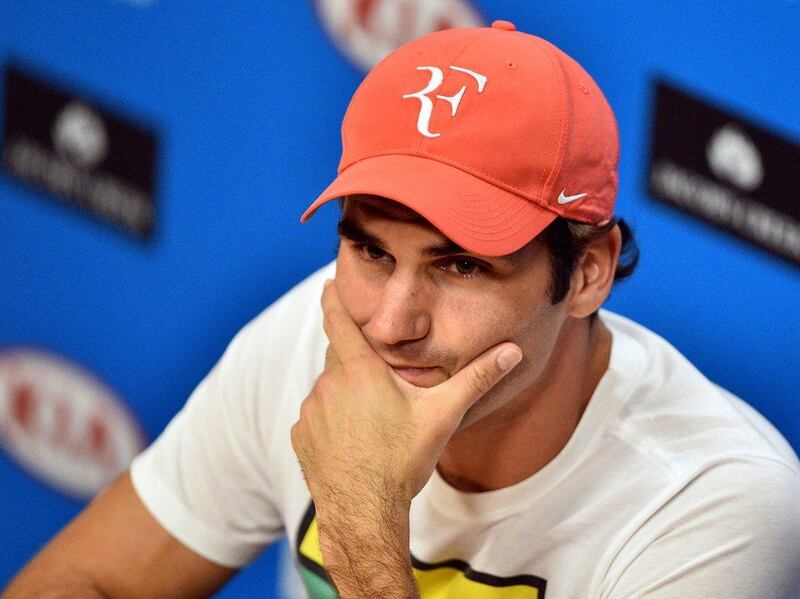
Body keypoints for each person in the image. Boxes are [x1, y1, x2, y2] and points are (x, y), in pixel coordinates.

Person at [5, 20, 800, 599]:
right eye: (371, 252)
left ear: (588, 272)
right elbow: (87, 578)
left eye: (460, 265)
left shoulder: (716, 506)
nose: (390, 324)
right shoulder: (309, 338)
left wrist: (361, 527)